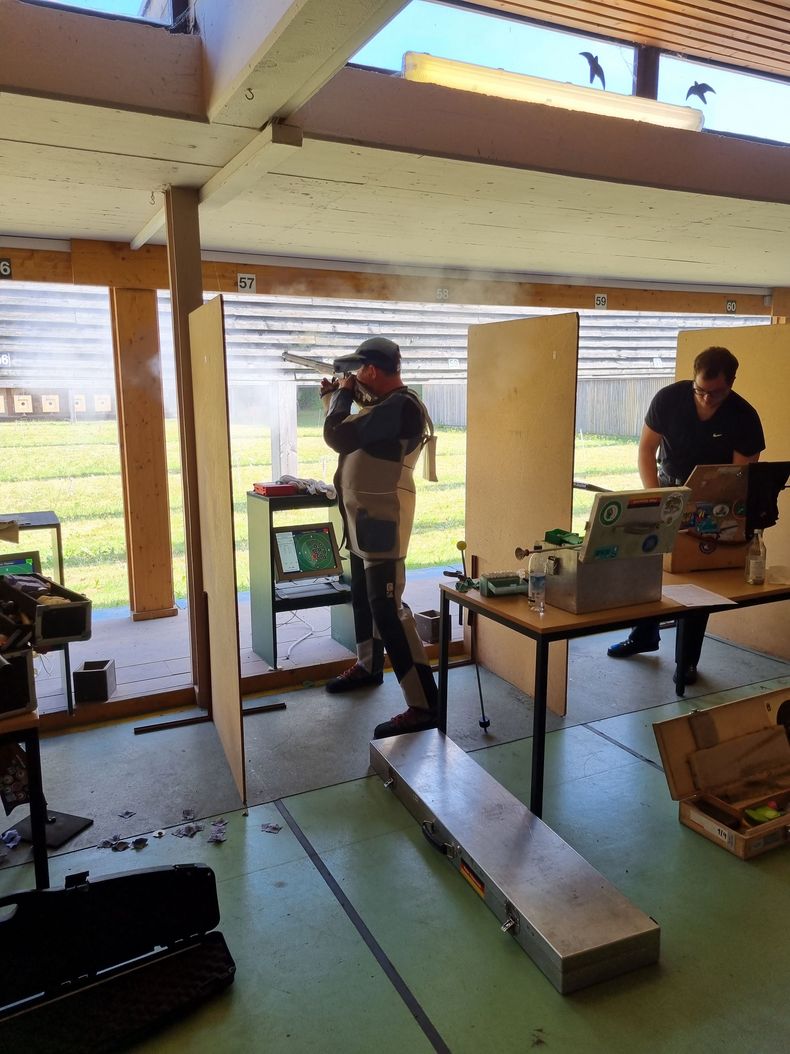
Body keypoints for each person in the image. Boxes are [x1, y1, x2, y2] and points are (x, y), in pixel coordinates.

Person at [607, 346, 764, 684]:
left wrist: (706, 513)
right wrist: (656, 497)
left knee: (698, 582)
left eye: (716, 392)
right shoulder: (669, 399)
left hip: (714, 501)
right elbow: (647, 450)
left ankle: (687, 662)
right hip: (667, 487)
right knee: (647, 561)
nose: (707, 399)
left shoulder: (744, 417)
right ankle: (643, 635)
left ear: (732, 383)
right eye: (700, 390)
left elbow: (739, 477)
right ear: (693, 380)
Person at [320, 336, 439, 739]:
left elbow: (337, 435)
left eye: (358, 372)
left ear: (371, 371)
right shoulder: (388, 407)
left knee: (387, 608)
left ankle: (424, 704)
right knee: (363, 598)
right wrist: (336, 399)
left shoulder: (402, 406)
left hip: (382, 519)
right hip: (363, 517)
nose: (356, 379)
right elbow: (354, 434)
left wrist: (341, 398)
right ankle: (369, 666)